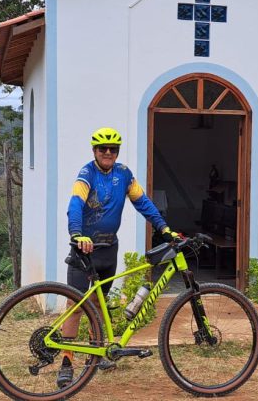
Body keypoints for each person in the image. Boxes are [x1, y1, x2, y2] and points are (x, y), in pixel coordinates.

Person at [57, 127, 179, 388]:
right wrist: (77, 234)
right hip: (84, 250)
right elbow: (75, 205)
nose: (108, 153)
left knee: (100, 305)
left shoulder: (124, 174)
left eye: (113, 149)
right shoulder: (86, 174)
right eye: (103, 149)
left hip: (108, 249)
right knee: (75, 306)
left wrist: (163, 228)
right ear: (94, 151)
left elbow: (143, 203)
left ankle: (96, 353)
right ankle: (66, 361)